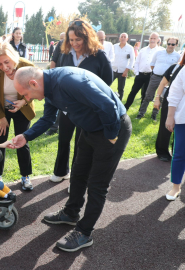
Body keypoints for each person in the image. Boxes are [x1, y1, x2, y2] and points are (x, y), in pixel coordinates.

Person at [12, 66, 131, 252]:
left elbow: (108, 105)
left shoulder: (69, 80)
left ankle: (84, 232)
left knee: (97, 185)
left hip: (112, 128)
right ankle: (70, 213)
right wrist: (26, 136)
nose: (27, 99)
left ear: (33, 83)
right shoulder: (48, 89)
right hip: (89, 129)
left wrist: (111, 136)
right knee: (77, 173)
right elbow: (48, 119)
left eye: (26, 94)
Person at [49, 19, 113, 184]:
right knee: (63, 140)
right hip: (67, 107)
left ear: (87, 37)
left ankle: (77, 180)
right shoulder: (65, 53)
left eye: (78, 40)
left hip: (88, 110)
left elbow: (107, 80)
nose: (74, 43)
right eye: (71, 40)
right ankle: (61, 171)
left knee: (81, 145)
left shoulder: (99, 55)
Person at [0, 42, 35, 190]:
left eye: (6, 62)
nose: (4, 67)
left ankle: (25, 176)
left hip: (22, 107)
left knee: (22, 141)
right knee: (0, 141)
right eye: (0, 64)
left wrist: (23, 101)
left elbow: (36, 88)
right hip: (1, 110)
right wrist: (1, 118)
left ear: (13, 57)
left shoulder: (26, 66)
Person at [136, 37, 181, 120]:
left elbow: (177, 68)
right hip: (155, 77)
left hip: (167, 80)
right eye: (169, 44)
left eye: (173, 44)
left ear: (176, 45)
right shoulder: (158, 53)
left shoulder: (178, 56)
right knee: (148, 95)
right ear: (166, 44)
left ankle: (154, 115)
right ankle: (141, 113)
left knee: (161, 97)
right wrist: (156, 73)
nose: (170, 46)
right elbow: (152, 64)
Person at [153, 56, 184, 162]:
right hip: (170, 101)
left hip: (183, 105)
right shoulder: (175, 67)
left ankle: (176, 152)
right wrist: (157, 98)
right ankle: (162, 152)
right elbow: (162, 83)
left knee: (180, 129)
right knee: (165, 127)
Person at [124, 32, 161, 111]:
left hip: (150, 76)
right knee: (133, 92)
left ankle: (141, 111)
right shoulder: (143, 50)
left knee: (145, 95)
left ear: (158, 40)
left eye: (154, 38)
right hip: (140, 75)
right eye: (151, 38)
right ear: (149, 39)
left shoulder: (159, 51)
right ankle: (125, 107)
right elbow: (137, 62)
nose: (152, 40)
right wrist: (137, 73)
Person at [165, 66, 185, 201]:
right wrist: (170, 116)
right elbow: (175, 93)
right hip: (183, 119)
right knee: (179, 153)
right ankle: (176, 187)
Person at [44, 32, 65, 136]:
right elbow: (53, 61)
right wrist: (51, 77)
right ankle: (52, 127)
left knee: (63, 107)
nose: (61, 40)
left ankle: (59, 127)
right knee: (52, 103)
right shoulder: (60, 45)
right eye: (60, 38)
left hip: (67, 82)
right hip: (56, 78)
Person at [112, 33, 135, 100]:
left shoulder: (130, 48)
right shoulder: (114, 46)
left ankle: (119, 102)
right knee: (107, 84)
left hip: (123, 72)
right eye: (122, 37)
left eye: (125, 37)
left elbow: (132, 60)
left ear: (127, 39)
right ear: (119, 38)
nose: (123, 38)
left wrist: (126, 70)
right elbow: (110, 57)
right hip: (113, 70)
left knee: (120, 88)